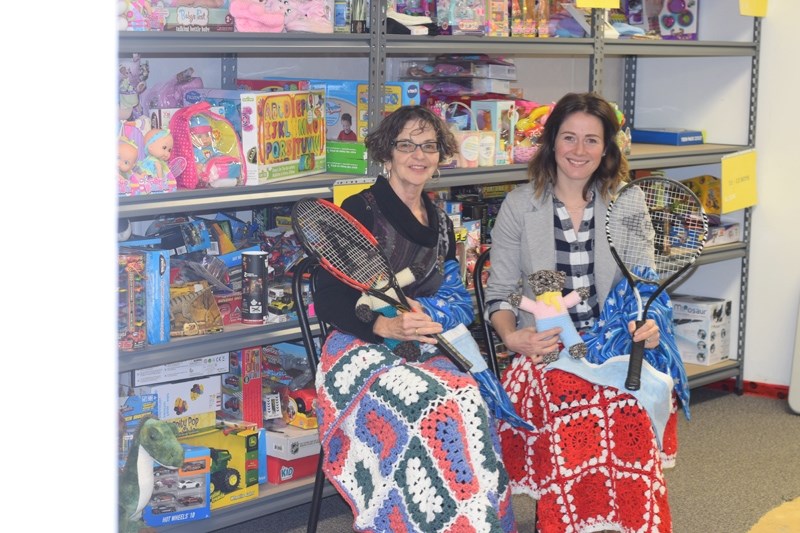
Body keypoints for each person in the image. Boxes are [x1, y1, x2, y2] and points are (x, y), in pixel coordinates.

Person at [312, 105, 517, 533]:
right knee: (435, 406)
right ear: (387, 152)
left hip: (421, 342)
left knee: (469, 398)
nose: (418, 155)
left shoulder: (440, 220)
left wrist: (429, 315)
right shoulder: (360, 209)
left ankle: (466, 519)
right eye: (406, 145)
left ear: (440, 156)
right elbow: (327, 298)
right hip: (359, 349)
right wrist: (381, 325)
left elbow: (447, 293)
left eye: (429, 146)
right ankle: (414, 518)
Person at [483, 92, 678, 533]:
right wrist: (513, 338)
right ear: (551, 142)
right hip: (546, 348)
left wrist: (647, 324)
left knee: (627, 404)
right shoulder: (520, 204)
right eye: (569, 137)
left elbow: (643, 287)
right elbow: (500, 294)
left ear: (607, 149)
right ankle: (563, 522)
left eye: (592, 140)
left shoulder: (626, 203)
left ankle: (621, 523)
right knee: (573, 405)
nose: (579, 150)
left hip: (611, 347)